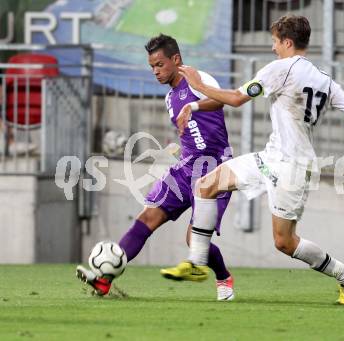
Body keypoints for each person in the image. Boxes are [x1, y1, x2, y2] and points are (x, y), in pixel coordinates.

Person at [160, 15, 344, 305]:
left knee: (284, 242)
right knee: (206, 185)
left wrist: (198, 85)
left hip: (293, 167)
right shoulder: (323, 79)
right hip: (271, 156)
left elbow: (235, 98)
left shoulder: (280, 69)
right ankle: (196, 262)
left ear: (287, 42)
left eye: (274, 41)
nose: (273, 48)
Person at [77, 34, 235, 301]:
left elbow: (223, 100)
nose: (155, 71)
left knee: (194, 241)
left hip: (215, 168)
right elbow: (192, 132)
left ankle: (223, 277)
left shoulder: (199, 78)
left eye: (160, 64)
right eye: (152, 66)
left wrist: (193, 106)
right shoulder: (170, 97)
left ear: (175, 59)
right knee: (147, 217)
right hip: (186, 168)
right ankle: (104, 280)